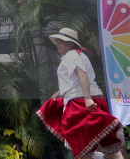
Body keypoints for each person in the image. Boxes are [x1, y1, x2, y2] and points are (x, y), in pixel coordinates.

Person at [37, 28, 128, 159]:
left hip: (80, 102)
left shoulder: (71, 56)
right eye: (57, 41)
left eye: (61, 41)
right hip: (92, 98)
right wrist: (60, 92)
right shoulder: (79, 55)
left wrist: (87, 99)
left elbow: (82, 74)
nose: (58, 43)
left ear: (71, 43)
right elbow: (76, 79)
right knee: (103, 140)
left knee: (81, 143)